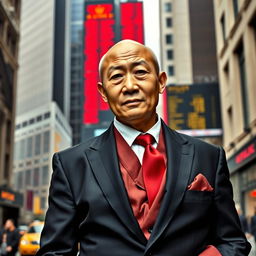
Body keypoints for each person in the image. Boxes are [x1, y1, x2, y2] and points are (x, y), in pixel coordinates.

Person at [36, 40, 251, 256]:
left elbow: (233, 242)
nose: (129, 86)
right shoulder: (71, 164)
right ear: (102, 92)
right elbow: (54, 252)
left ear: (161, 82)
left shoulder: (209, 157)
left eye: (140, 72)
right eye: (116, 76)